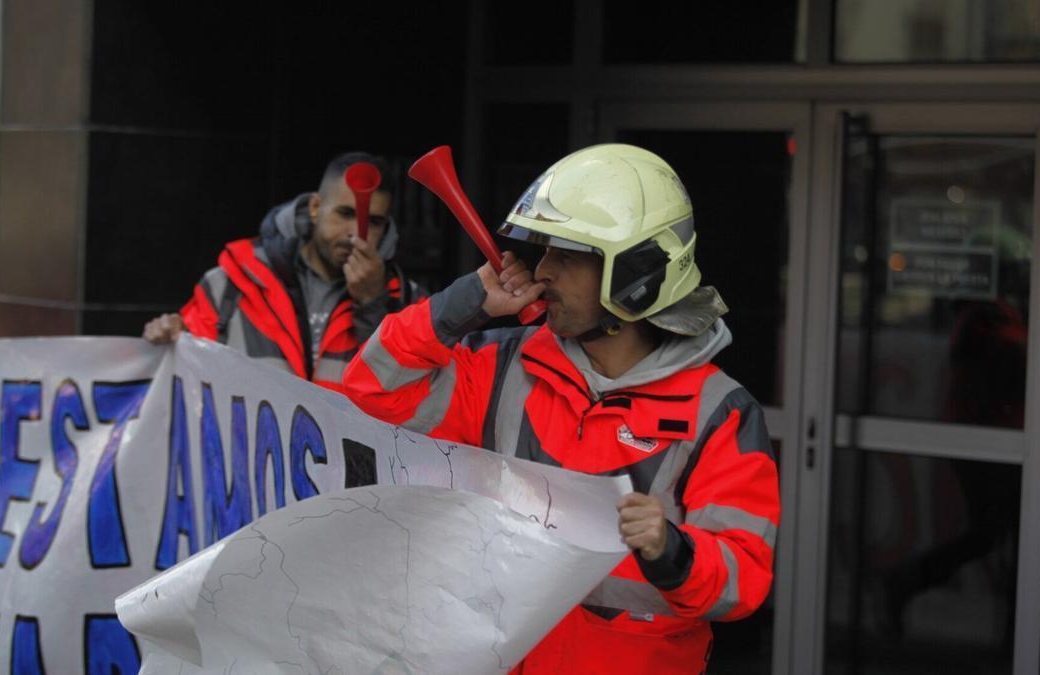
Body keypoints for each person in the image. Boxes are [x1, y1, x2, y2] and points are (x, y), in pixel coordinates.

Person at [344, 144, 779, 672]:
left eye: (567, 256)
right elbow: (372, 391)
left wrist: (672, 550)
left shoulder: (720, 411)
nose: (542, 270)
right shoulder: (503, 364)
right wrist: (466, 302)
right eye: (545, 251)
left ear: (636, 276)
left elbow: (743, 581)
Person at [143, 152, 426, 391]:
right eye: (344, 213)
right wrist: (170, 338)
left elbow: (414, 400)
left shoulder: (410, 304)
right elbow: (187, 372)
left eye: (373, 222)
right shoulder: (231, 283)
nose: (356, 233)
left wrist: (373, 306)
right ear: (315, 207)